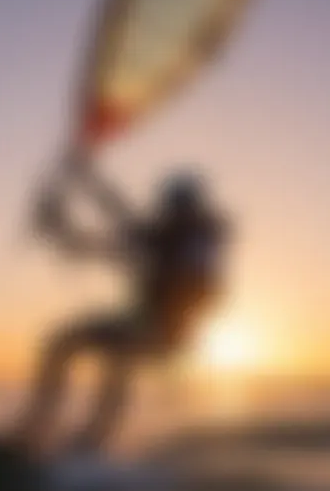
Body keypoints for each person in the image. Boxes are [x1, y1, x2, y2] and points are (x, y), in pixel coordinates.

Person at [15, 151, 233, 458]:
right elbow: (113, 234)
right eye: (169, 206)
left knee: (115, 360)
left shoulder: (196, 239)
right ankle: (36, 430)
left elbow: (123, 221)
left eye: (174, 206)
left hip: (168, 335)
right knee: (63, 344)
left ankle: (87, 445)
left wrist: (85, 178)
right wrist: (60, 224)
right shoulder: (162, 237)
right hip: (142, 326)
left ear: (187, 207)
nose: (168, 212)